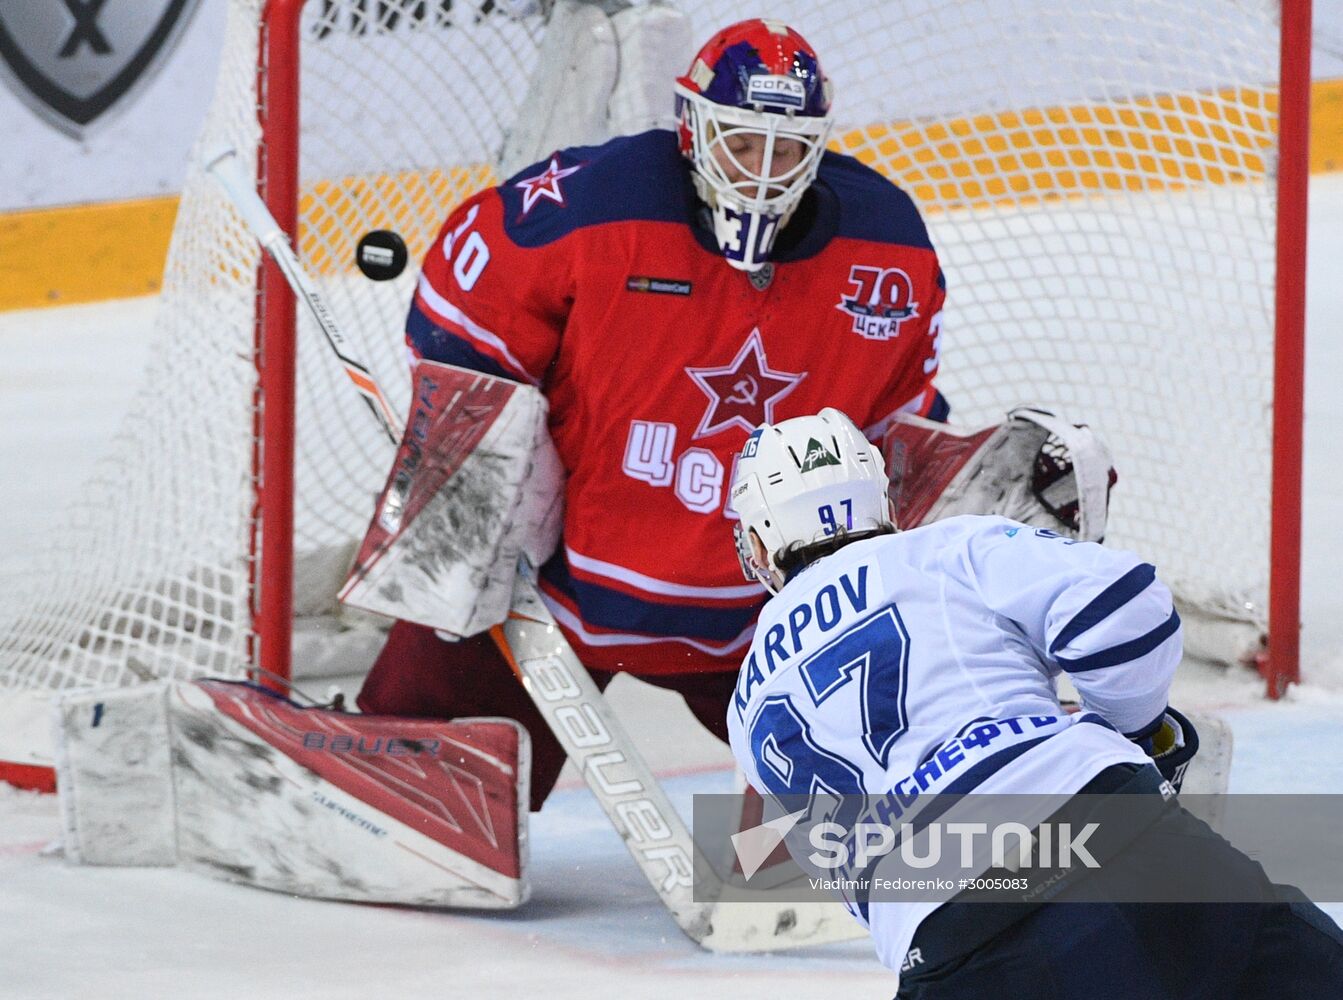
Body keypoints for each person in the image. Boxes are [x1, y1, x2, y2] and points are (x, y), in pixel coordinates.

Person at [357, 19, 951, 811]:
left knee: (907, 786)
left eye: (787, 149)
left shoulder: (889, 249)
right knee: (405, 790)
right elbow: (463, 316)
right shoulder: (591, 205)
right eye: (741, 143)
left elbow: (900, 425)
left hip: (762, 609)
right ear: (691, 129)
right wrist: (495, 463)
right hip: (553, 585)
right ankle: (408, 763)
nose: (764, 173)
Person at [725, 407, 1343, 998]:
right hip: (1115, 840)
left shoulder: (746, 707)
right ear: (881, 500)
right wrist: (1134, 730)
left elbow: (840, 865)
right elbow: (1129, 610)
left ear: (758, 541)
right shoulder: (942, 549)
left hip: (954, 946)